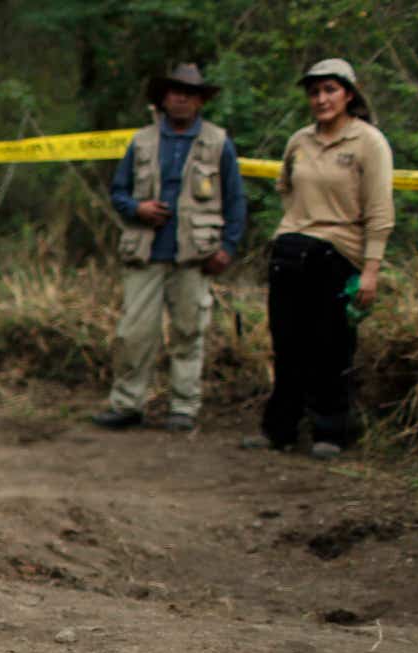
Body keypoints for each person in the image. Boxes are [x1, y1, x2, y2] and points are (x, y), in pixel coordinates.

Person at [247, 58, 393, 459]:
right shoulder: (299, 140)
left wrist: (371, 269)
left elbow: (379, 209)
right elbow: (286, 188)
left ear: (348, 94)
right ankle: (280, 428)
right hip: (291, 250)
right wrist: (296, 227)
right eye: (314, 92)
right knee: (287, 344)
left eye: (330, 90)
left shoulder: (368, 142)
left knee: (331, 346)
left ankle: (331, 430)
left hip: (338, 253)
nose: (321, 99)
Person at [92, 64, 247, 434]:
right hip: (146, 252)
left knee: (189, 332)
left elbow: (235, 199)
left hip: (195, 255)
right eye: (175, 91)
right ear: (163, 98)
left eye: (189, 93)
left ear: (199, 101)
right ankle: (128, 404)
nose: (181, 98)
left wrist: (227, 247)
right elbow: (118, 192)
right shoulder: (141, 141)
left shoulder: (218, 141)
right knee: (133, 333)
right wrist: (137, 209)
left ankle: (183, 406)